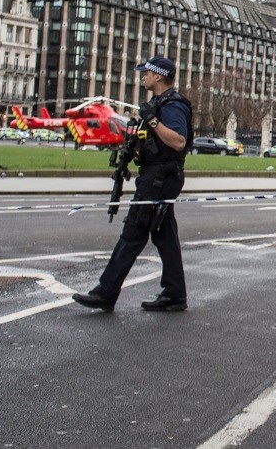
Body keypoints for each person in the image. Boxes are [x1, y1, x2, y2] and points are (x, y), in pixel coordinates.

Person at [73, 56, 193, 312]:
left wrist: (152, 121)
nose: (142, 76)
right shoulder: (159, 104)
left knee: (134, 232)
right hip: (155, 175)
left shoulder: (172, 105)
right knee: (164, 234)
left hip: (160, 178)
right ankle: (174, 293)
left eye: (146, 72)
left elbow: (178, 141)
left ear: (158, 76)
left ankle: (106, 291)